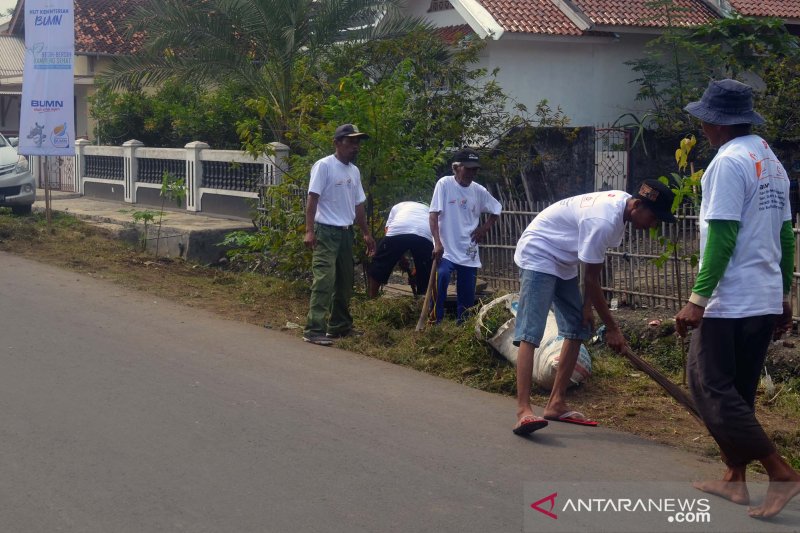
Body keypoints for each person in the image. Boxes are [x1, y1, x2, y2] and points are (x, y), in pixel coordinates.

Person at [675, 79, 800, 519]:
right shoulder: (771, 160)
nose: (703, 128)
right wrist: (783, 295)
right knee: (738, 392)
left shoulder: (727, 162)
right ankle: (735, 478)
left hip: (732, 298)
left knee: (708, 385)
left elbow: (723, 236)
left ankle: (779, 471)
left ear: (715, 123)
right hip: (763, 294)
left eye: (704, 121)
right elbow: (785, 235)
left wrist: (697, 299)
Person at [511, 180, 677, 435]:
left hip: (564, 258)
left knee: (579, 326)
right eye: (654, 218)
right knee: (531, 332)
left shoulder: (622, 208)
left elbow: (591, 274)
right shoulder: (603, 220)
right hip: (540, 252)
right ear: (638, 205)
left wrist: (587, 309)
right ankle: (524, 411)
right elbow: (591, 279)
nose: (653, 225)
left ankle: (556, 403)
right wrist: (612, 328)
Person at [302, 124, 376, 346]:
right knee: (325, 279)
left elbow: (358, 205)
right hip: (326, 232)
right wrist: (309, 230)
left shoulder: (354, 171)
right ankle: (313, 329)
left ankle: (339, 326)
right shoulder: (324, 166)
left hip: (346, 233)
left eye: (357, 142)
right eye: (350, 142)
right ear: (337, 143)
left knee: (345, 282)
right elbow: (312, 199)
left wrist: (365, 233)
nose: (355, 147)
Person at [429, 148, 501, 324]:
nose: (472, 173)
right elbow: (433, 215)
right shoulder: (445, 184)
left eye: (475, 169)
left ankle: (463, 326)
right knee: (442, 278)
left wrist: (484, 228)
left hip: (468, 249)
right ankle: (435, 322)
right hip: (446, 247)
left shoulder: (479, 191)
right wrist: (437, 243)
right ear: (457, 167)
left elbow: (496, 209)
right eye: (468, 168)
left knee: (467, 293)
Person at [367, 201, 434, 298]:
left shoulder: (398, 206)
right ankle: (423, 301)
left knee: (380, 263)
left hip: (399, 228)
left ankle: (372, 298)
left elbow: (387, 230)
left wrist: (400, 257)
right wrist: (416, 268)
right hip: (424, 232)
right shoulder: (428, 210)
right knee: (426, 269)